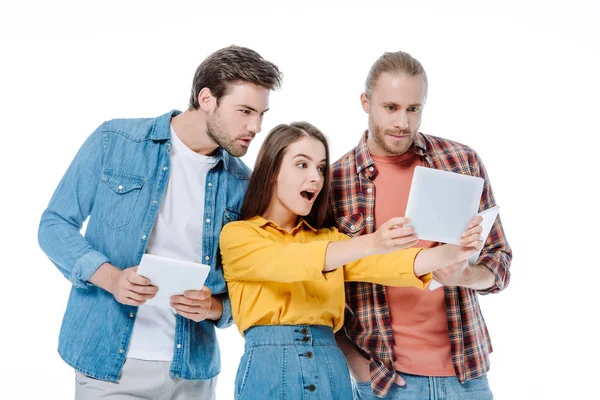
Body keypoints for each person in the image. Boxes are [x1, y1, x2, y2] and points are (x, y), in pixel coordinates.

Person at [37, 45, 282, 400]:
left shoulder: (244, 185)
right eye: (245, 111)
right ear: (207, 98)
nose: (256, 127)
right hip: (109, 365)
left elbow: (248, 283)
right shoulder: (116, 142)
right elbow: (54, 225)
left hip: (192, 373)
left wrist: (215, 308)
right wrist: (112, 278)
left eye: (261, 114)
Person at [219, 122, 484, 400]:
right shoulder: (239, 236)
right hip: (269, 369)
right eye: (302, 165)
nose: (316, 178)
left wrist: (454, 251)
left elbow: (386, 265)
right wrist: (372, 242)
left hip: (330, 367)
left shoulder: (329, 239)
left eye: (321, 168)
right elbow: (291, 261)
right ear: (272, 171)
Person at [328, 50, 512, 399]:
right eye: (391, 108)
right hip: (385, 381)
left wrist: (466, 276)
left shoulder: (460, 160)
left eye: (414, 109)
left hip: (466, 376)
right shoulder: (335, 180)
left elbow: (500, 260)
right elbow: (321, 282)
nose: (403, 122)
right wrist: (358, 365)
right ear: (365, 102)